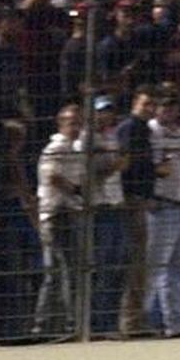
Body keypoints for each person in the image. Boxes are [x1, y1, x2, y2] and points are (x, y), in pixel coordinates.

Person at [146, 85, 180, 337]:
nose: (170, 109)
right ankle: (162, 321)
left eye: (173, 105)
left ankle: (174, 320)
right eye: (165, 105)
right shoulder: (151, 132)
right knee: (159, 265)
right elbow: (151, 167)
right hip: (162, 205)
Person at [78, 96, 127, 336]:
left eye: (109, 111)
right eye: (101, 111)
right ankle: (96, 323)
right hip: (98, 208)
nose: (106, 116)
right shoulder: (86, 137)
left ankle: (110, 321)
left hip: (115, 204)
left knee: (116, 267)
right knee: (101, 266)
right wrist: (117, 165)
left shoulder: (111, 136)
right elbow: (93, 171)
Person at [32, 103, 82, 342]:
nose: (76, 127)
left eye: (79, 122)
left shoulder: (76, 148)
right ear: (61, 124)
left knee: (59, 272)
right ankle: (61, 324)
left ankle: (50, 324)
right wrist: (76, 190)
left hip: (68, 213)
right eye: (71, 122)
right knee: (63, 270)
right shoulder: (56, 147)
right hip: (56, 215)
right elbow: (52, 176)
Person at [116, 85, 157, 337]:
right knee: (135, 263)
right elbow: (128, 164)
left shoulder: (143, 130)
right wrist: (155, 171)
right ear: (134, 103)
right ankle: (131, 321)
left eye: (152, 105)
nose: (149, 109)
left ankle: (136, 318)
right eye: (146, 104)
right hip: (131, 200)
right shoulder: (130, 129)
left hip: (141, 199)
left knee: (142, 263)